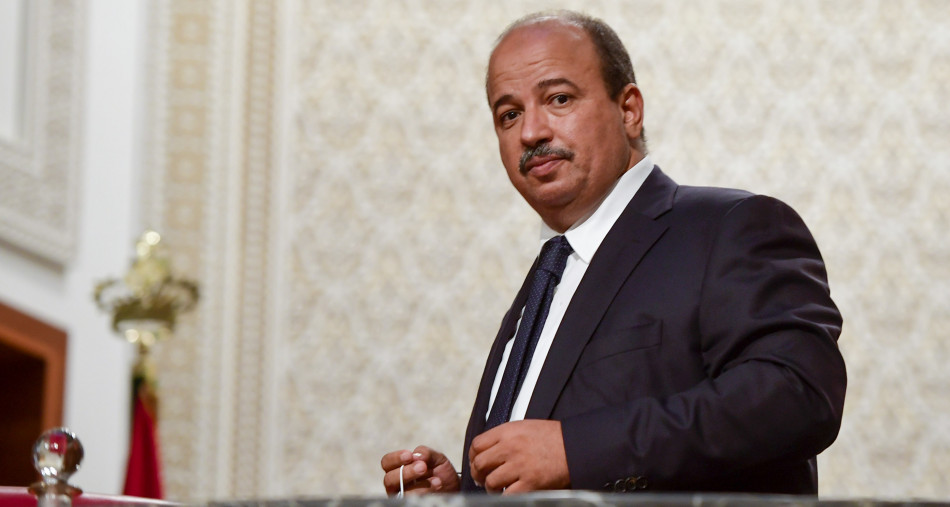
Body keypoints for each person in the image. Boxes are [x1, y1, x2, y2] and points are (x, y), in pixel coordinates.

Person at [381, 10, 846, 496]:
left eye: (559, 99)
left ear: (629, 110)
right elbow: (547, 467)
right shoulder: (551, 274)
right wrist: (466, 496)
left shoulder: (731, 226)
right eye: (509, 114)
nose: (531, 132)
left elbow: (798, 396)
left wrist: (577, 451)